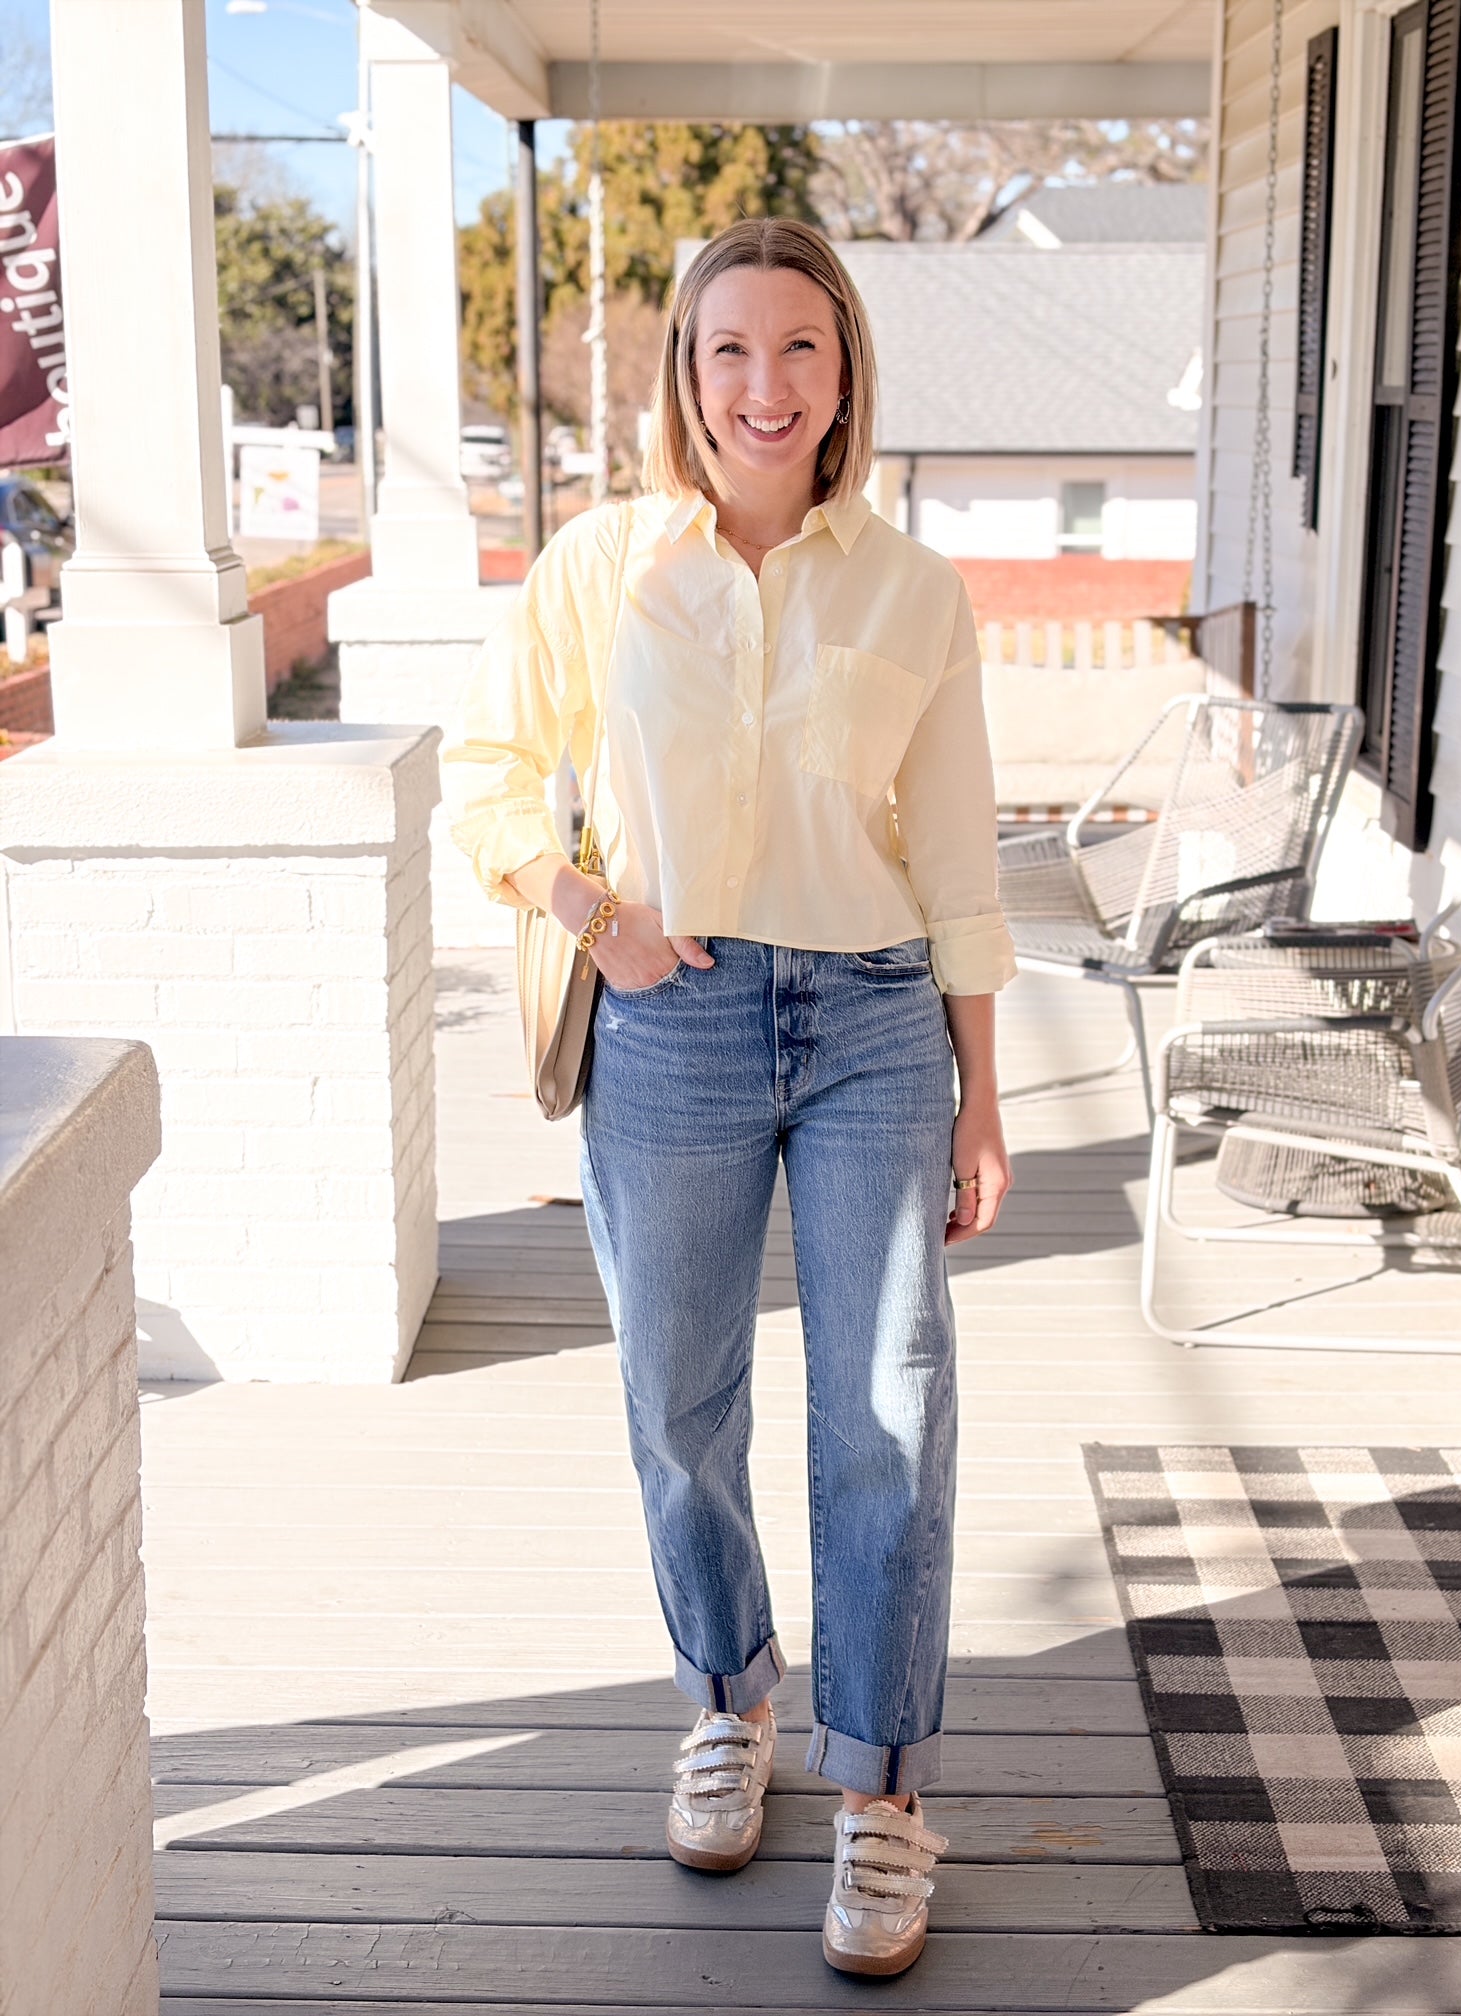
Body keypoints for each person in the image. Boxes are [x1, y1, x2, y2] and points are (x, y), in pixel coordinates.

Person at [442, 217, 1014, 1979]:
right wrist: (589, 912)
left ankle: (886, 1797)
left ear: (846, 378)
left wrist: (984, 1098)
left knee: (888, 1416)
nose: (764, 387)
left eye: (800, 350)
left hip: (871, 1027)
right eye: (728, 353)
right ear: (683, 379)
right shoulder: (599, 566)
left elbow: (966, 859)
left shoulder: (915, 591)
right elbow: (492, 779)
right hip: (670, 1018)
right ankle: (726, 1696)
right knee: (679, 1400)